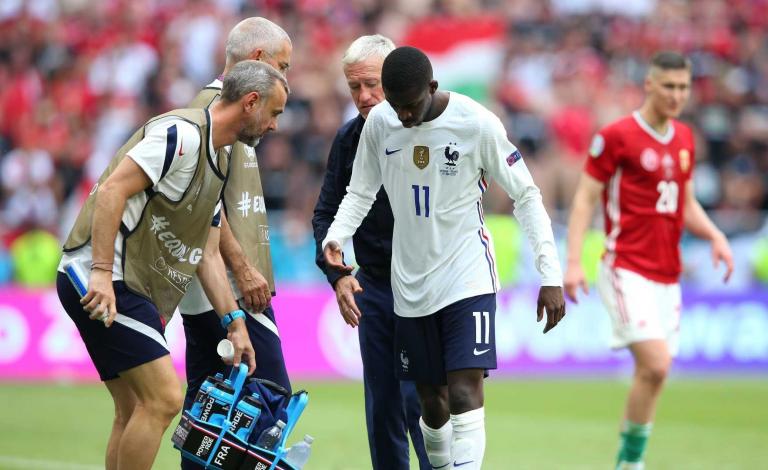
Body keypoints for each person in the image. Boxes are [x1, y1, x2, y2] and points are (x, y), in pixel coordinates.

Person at [322, 46, 566, 470]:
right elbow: (360, 191)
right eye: (396, 106)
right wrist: (337, 237)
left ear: (432, 87)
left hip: (466, 276)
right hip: (410, 285)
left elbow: (526, 194)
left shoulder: (476, 124)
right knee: (430, 405)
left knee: (463, 394)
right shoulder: (380, 122)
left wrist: (551, 274)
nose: (403, 116)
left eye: (411, 105)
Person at [56, 60, 288, 470]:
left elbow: (207, 253)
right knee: (164, 399)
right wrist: (101, 273)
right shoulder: (181, 134)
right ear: (251, 102)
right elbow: (111, 191)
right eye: (274, 112)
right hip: (103, 278)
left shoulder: (218, 157)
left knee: (133, 408)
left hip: (123, 283)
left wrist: (234, 323)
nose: (274, 125)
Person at [563, 51, 734, 470]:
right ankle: (633, 461)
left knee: (654, 374)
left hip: (667, 274)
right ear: (649, 85)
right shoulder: (617, 136)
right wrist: (573, 262)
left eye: (683, 87)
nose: (677, 95)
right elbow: (585, 199)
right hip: (625, 267)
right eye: (669, 86)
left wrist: (715, 235)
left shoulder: (685, 139)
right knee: (655, 364)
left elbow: (686, 203)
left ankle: (627, 462)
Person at [177, 20, 292, 470]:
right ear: (258, 60)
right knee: (268, 406)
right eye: (283, 65)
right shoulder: (216, 110)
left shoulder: (213, 107)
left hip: (208, 288)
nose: (285, 76)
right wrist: (243, 268)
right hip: (227, 289)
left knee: (208, 414)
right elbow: (205, 200)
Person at [312, 35, 430, 470]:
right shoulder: (350, 138)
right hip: (375, 287)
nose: (363, 96)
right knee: (383, 407)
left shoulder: (433, 131)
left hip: (427, 283)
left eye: (372, 84)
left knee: (423, 401)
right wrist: (338, 275)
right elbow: (325, 213)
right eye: (354, 87)